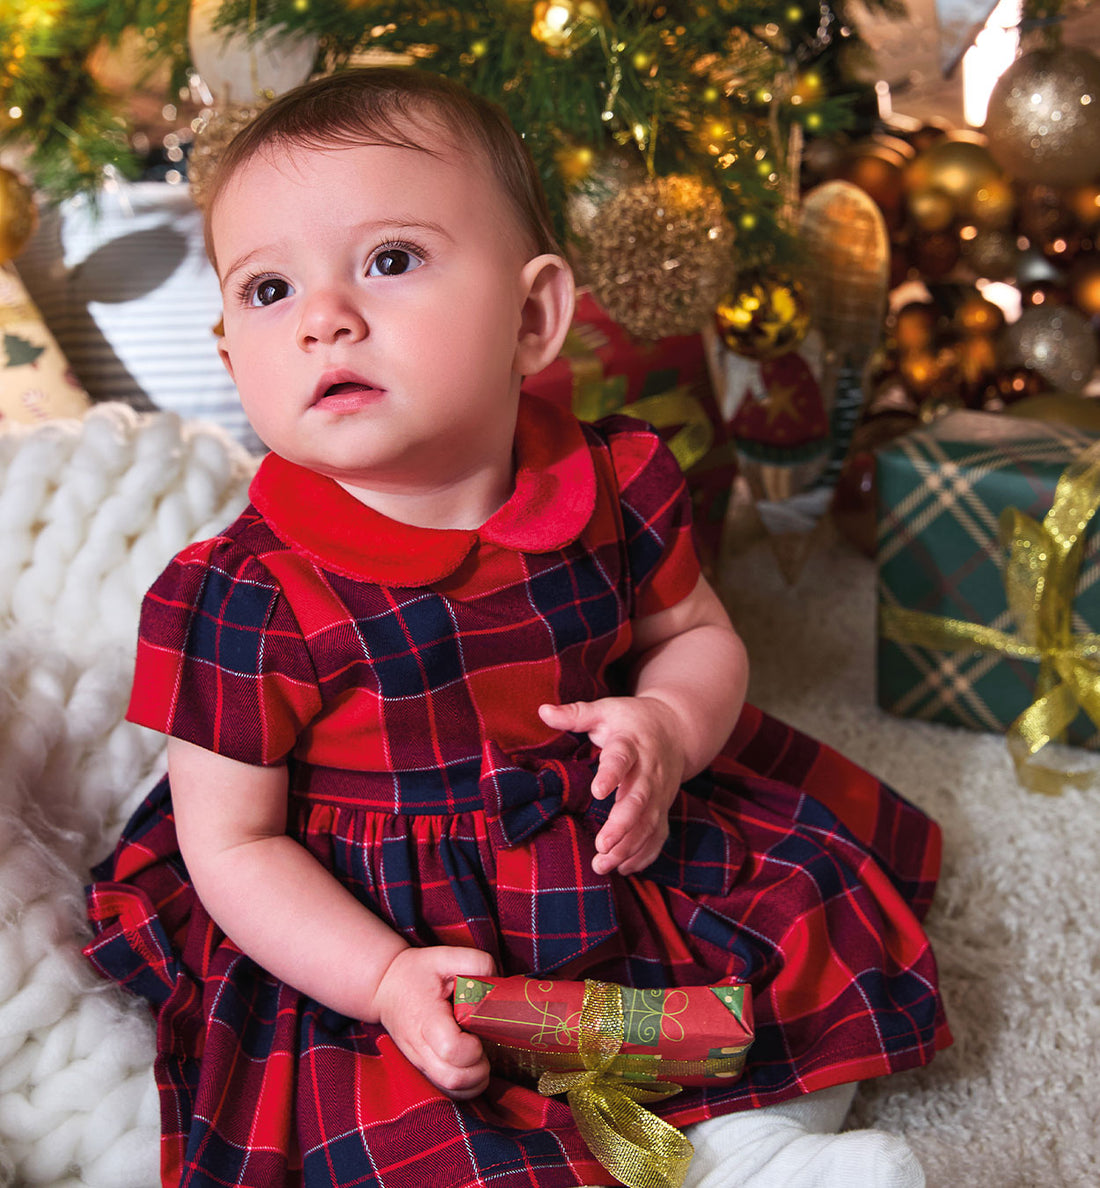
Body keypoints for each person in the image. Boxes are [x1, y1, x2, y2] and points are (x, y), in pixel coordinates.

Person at [85, 66, 949, 1188]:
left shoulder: (613, 480)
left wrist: (670, 730)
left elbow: (694, 633)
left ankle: (749, 1151)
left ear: (534, 316)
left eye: (389, 261)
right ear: (230, 361)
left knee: (790, 956)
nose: (324, 318)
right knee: (424, 1126)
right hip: (381, 916)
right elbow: (232, 847)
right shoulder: (243, 599)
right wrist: (380, 976)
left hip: (603, 839)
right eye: (266, 291)